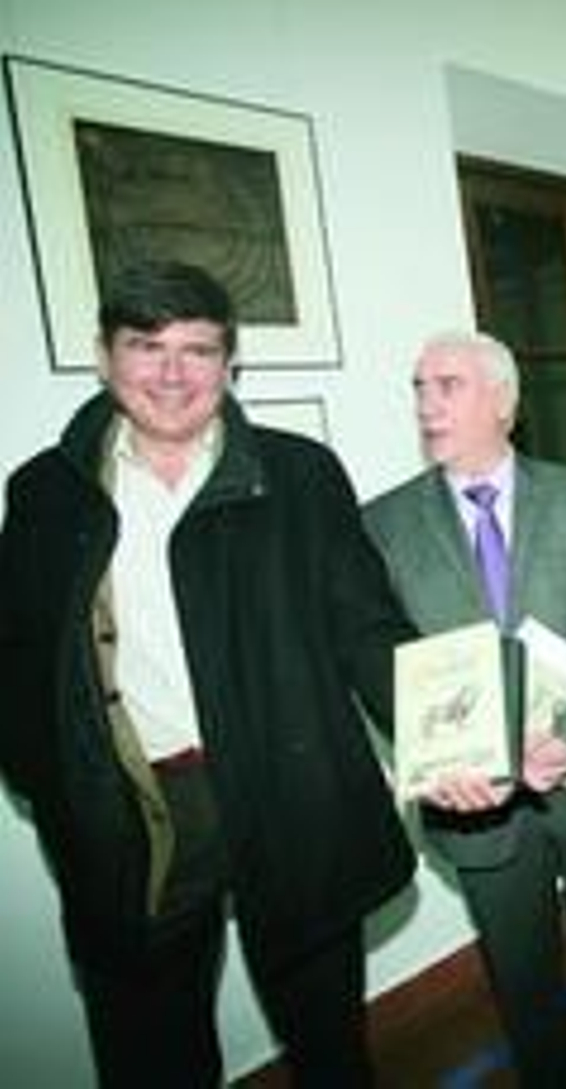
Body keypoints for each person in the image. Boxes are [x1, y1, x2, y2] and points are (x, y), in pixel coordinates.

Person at [0, 260, 417, 1086]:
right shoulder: (45, 494)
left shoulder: (301, 475)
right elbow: (14, 659)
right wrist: (54, 785)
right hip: (135, 822)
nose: (172, 373)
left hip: (290, 798)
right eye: (146, 346)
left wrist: (454, 735)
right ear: (103, 356)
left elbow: (369, 629)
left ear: (230, 363)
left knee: (331, 1045)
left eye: (198, 349)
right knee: (152, 1057)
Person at [363, 330, 566, 1086]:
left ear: (503, 402)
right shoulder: (383, 523)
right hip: (472, 800)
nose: (427, 403)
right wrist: (431, 758)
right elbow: (377, 661)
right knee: (523, 981)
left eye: (448, 385)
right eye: (419, 387)